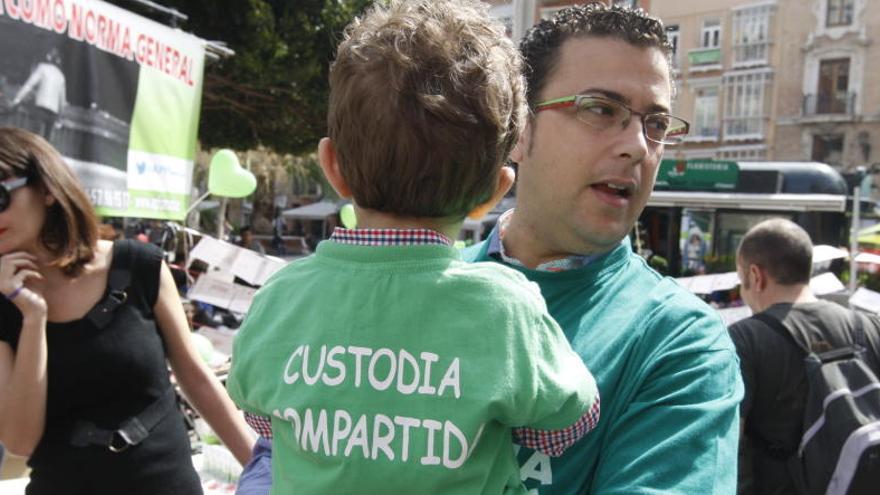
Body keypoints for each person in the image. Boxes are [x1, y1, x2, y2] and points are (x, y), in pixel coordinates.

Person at [226, 1, 600, 493]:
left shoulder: (281, 297)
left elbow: (264, 418)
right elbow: (569, 423)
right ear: (492, 192)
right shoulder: (506, 309)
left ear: (332, 166)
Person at [461, 4, 743, 493]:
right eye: (600, 108)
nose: (636, 144)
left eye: (655, 124)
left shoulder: (680, 344)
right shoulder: (416, 288)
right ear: (518, 130)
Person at [0, 127, 255, 494]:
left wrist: (264, 470)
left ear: (47, 188)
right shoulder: (6, 303)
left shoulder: (138, 266)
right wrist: (32, 318)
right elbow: (20, 441)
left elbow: (197, 380)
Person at [728, 218, 880, 494]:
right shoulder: (869, 326)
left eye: (741, 280)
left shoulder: (744, 339)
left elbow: (728, 442)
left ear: (755, 275)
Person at [12, 48, 67, 141]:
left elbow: (29, 85)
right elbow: (62, 101)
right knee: (46, 141)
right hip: (53, 112)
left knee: (34, 137)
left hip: (41, 107)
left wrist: (17, 99)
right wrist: (60, 118)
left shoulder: (42, 68)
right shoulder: (61, 76)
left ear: (48, 57)